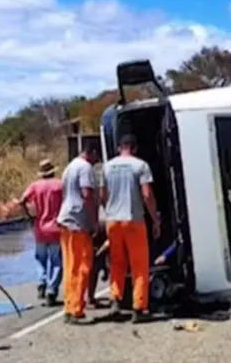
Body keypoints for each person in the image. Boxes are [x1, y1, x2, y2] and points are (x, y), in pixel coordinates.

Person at [101, 134, 161, 324]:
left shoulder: (107, 166)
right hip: (133, 220)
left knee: (117, 263)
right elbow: (147, 194)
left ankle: (115, 300)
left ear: (119, 147)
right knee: (139, 266)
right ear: (134, 149)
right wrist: (155, 219)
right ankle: (139, 307)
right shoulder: (140, 166)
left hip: (113, 221)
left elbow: (103, 195)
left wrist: (109, 210)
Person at [57, 146, 100, 324]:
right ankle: (75, 308)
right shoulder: (85, 168)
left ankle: (69, 305)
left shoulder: (69, 167)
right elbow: (87, 194)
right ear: (90, 152)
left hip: (66, 220)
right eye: (96, 155)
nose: (97, 160)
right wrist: (94, 220)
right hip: (78, 222)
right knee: (83, 265)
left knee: (70, 266)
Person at [17, 159, 63, 307]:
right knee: (56, 261)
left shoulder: (35, 186)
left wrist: (30, 216)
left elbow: (22, 200)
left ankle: (42, 281)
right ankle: (51, 289)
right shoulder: (59, 185)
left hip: (40, 228)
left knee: (40, 259)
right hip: (56, 227)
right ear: (53, 171)